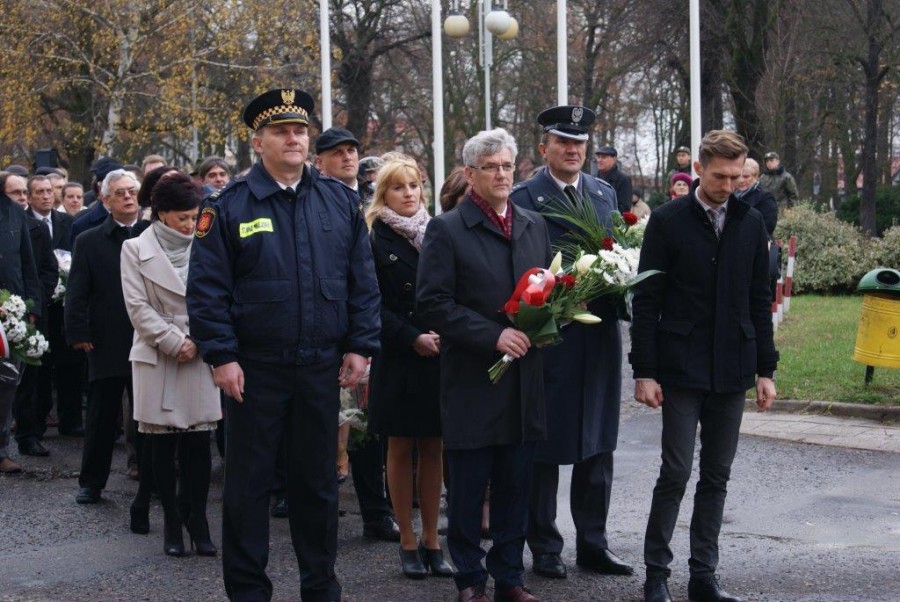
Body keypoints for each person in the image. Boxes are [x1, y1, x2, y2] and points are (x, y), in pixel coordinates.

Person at [186, 88, 381, 602]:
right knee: (248, 488)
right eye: (280, 131)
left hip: (321, 368)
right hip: (254, 370)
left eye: (299, 130)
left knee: (317, 487)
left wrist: (361, 345)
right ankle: (249, 591)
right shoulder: (226, 206)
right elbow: (206, 289)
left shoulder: (339, 200)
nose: (293, 138)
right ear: (258, 142)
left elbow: (362, 281)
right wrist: (221, 355)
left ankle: (321, 586)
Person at [629, 130, 778, 602]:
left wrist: (765, 370)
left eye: (737, 176)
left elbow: (760, 300)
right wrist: (644, 371)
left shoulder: (751, 222)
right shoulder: (668, 222)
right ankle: (656, 574)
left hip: (732, 367)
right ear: (698, 168)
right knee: (675, 472)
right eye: (720, 176)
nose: (729, 184)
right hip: (680, 368)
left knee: (717, 475)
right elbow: (647, 300)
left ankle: (703, 577)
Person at [417, 128, 551, 602]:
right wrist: (491, 335)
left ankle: (510, 579)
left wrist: (550, 322)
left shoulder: (533, 223)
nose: (500, 174)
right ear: (471, 174)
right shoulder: (448, 228)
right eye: (490, 166)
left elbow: (545, 290)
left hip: (523, 381)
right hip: (474, 380)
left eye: (507, 166)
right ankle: (471, 579)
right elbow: (432, 303)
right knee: (471, 490)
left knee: (517, 486)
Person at [510, 105, 634, 581]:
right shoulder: (525, 196)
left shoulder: (603, 194)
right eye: (563, 142)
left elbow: (617, 252)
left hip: (598, 336)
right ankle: (543, 545)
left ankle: (594, 543)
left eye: (579, 144)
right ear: (544, 148)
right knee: (544, 444)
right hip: (550, 336)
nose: (572, 150)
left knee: (598, 444)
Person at [121, 171, 221, 557]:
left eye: (195, 215)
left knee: (199, 441)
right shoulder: (134, 248)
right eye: (182, 217)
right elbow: (136, 306)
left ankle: (199, 517)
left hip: (200, 350)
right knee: (161, 444)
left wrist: (202, 338)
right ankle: (171, 523)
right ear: (161, 214)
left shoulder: (207, 241)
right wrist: (172, 341)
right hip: (157, 352)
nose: (190, 224)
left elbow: (218, 293)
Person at [364, 157, 453, 580]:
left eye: (415, 185)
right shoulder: (372, 238)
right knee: (399, 446)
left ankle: (434, 540)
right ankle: (407, 542)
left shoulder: (438, 230)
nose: (410, 193)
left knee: (434, 446)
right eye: (399, 187)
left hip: (438, 351)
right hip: (399, 354)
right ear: (384, 194)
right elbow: (369, 303)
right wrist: (411, 337)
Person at [313, 126, 400, 543]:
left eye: (352, 151)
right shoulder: (311, 200)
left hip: (366, 329)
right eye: (337, 153)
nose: (348, 158)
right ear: (320, 161)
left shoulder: (371, 205)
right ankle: (313, 507)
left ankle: (375, 512)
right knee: (320, 425)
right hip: (324, 329)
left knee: (364, 426)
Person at [65, 169, 145, 504]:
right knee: (101, 414)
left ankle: (151, 475)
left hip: (147, 337)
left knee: (146, 413)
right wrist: (78, 332)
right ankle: (92, 481)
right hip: (106, 338)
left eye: (132, 190)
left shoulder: (152, 234)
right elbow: (78, 291)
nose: (128, 197)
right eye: (121, 193)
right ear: (105, 200)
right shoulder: (89, 240)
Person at [0, 172, 42, 474]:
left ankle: (1, 450)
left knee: (7, 385)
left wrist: (30, 307)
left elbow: (28, 263)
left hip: (11, 312)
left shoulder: (16, 214)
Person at [737, 158, 777, 236]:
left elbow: (768, 227)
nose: (741, 180)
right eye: (738, 176)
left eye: (746, 177)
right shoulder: (729, 195)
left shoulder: (766, 198)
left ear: (755, 177)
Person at [595, 145, 632, 214]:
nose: (599, 160)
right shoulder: (593, 178)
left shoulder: (623, 180)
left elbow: (624, 208)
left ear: (614, 159)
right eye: (598, 157)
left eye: (603, 157)